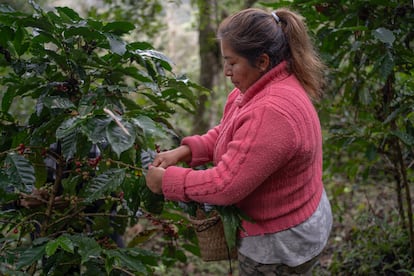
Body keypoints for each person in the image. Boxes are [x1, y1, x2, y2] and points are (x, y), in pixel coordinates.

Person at [145, 7, 332, 275]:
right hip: (296, 217)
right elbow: (229, 133)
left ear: (263, 61)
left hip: (281, 242)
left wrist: (168, 182)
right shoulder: (258, 87)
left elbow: (226, 184)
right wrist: (186, 151)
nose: (226, 71)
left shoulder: (271, 110)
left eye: (232, 63)